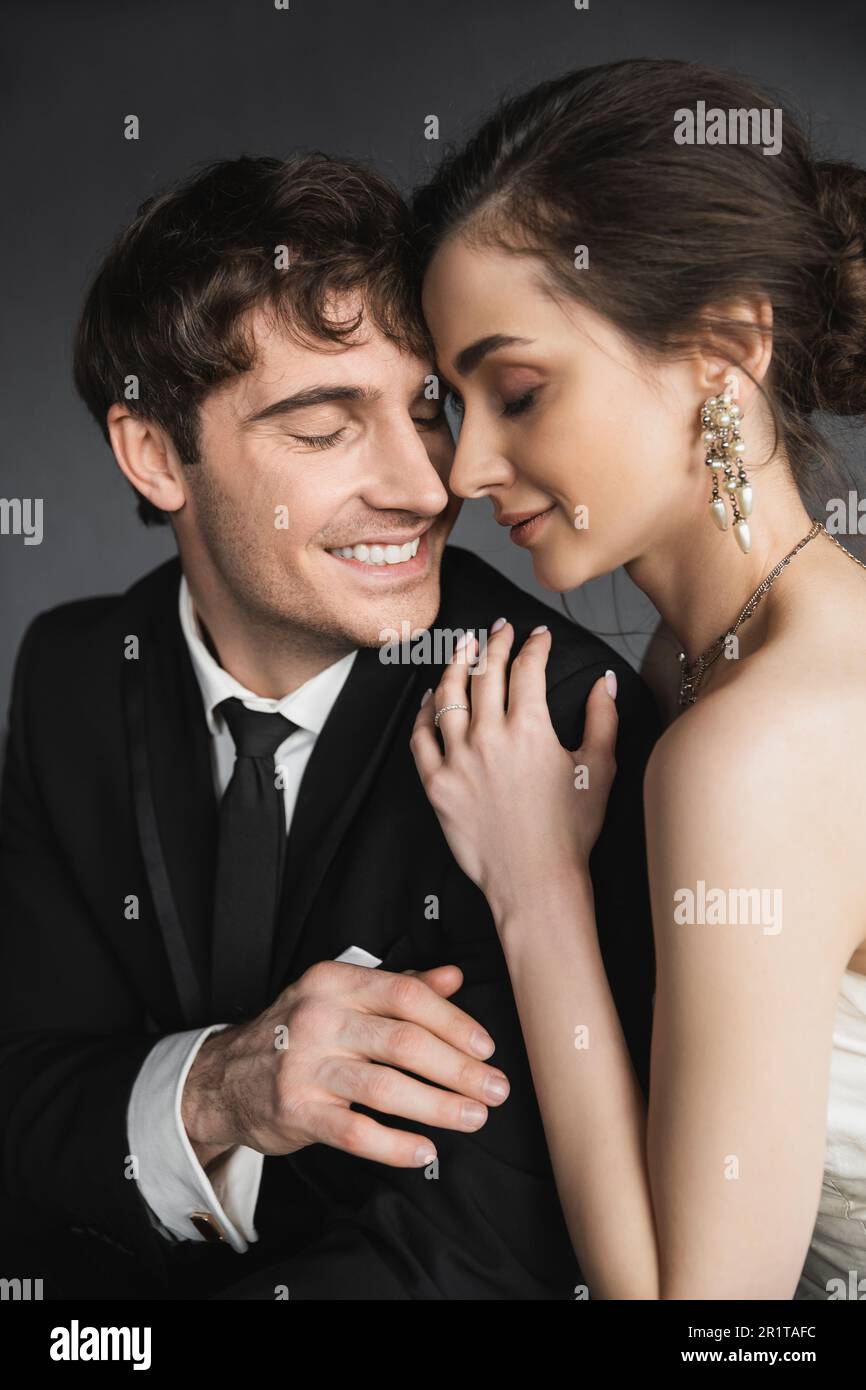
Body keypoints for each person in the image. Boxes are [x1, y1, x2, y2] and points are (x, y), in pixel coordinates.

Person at [0, 153, 660, 1300]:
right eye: (323, 428)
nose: (425, 484)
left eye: (423, 407)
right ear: (155, 454)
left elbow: (482, 1253)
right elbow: (28, 1097)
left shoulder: (548, 716)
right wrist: (215, 1088)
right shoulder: (67, 672)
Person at [409, 57, 866, 1301]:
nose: (463, 469)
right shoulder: (708, 657)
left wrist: (533, 881)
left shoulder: (757, 745)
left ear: (723, 347)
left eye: (514, 391)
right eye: (450, 402)